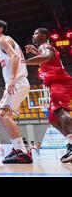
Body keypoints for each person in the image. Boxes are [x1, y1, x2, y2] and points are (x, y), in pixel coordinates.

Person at [0, 20, 32, 163]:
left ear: (0, 29)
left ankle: (22, 151)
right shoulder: (3, 42)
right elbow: (9, 56)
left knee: (4, 114)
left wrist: (12, 78)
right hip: (15, 82)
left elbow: (15, 56)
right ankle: (17, 147)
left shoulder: (3, 39)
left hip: (17, 81)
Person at [24, 28, 72, 163]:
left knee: (60, 111)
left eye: (36, 33)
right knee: (52, 118)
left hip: (60, 82)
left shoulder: (46, 46)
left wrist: (24, 62)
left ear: (44, 35)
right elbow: (45, 56)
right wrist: (35, 51)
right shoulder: (43, 48)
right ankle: (70, 142)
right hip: (55, 84)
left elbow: (46, 56)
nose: (33, 35)